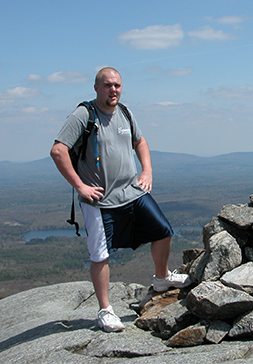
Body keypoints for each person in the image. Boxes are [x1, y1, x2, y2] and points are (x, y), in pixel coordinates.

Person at [50, 67, 190, 332]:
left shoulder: (125, 112)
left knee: (163, 230)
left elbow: (141, 142)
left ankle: (162, 278)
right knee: (100, 254)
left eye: (117, 85)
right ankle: (105, 311)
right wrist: (80, 186)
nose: (113, 90)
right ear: (96, 88)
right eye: (107, 85)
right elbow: (58, 151)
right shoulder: (84, 114)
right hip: (100, 201)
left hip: (131, 192)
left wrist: (146, 170)